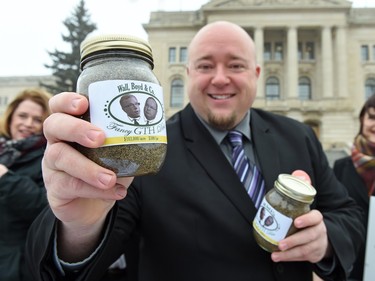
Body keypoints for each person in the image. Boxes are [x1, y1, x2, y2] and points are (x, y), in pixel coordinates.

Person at [26, 21, 364, 281]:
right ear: (186, 74)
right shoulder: (144, 150)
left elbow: (347, 215)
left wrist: (327, 240)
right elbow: (87, 257)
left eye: (235, 65)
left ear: (257, 74)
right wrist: (78, 228)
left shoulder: (298, 135)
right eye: (204, 66)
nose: (219, 79)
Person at [0, 88, 52, 281]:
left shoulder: (48, 158)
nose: (28, 124)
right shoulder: (3, 151)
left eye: (37, 119)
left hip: (19, 266)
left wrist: (6, 179)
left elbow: (46, 208)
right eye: (22, 116)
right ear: (11, 116)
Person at [333, 93, 375, 280]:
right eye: (372, 117)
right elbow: (333, 211)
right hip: (351, 262)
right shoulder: (342, 166)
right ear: (362, 119)